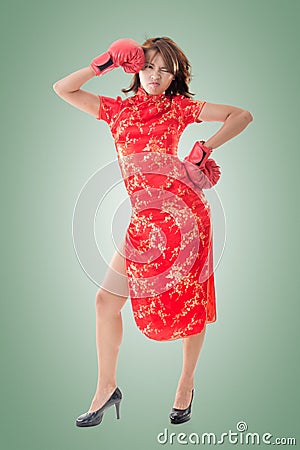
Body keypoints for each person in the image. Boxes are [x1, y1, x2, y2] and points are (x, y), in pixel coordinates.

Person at [53, 36, 253, 427]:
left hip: (185, 217)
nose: (156, 75)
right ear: (135, 68)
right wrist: (104, 63)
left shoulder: (179, 108)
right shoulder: (116, 112)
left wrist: (203, 149)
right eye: (148, 66)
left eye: (165, 69)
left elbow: (242, 115)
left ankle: (185, 384)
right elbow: (63, 88)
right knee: (105, 303)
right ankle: (106, 388)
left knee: (191, 308)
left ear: (175, 73)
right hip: (143, 221)